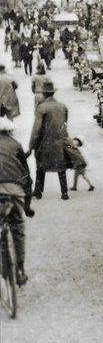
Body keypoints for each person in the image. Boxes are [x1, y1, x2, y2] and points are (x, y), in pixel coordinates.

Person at [0, 116, 33, 286]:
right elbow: (27, 177)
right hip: (15, 191)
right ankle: (20, 269)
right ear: (9, 131)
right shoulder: (15, 145)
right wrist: (27, 206)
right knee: (18, 229)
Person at [29, 78, 70, 200]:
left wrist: (31, 146)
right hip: (59, 142)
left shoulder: (41, 108)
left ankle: (38, 191)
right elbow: (65, 123)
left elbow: (36, 130)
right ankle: (64, 192)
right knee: (61, 167)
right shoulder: (63, 106)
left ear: (44, 94)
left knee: (40, 166)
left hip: (44, 143)